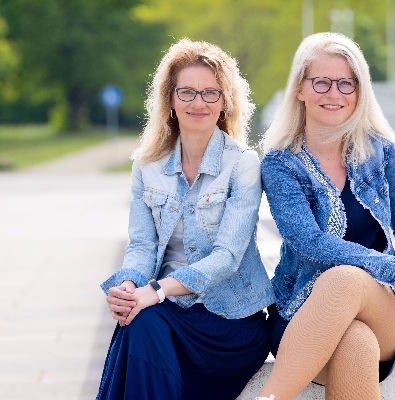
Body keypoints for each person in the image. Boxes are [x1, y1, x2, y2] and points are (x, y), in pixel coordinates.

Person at [256, 32, 395, 400]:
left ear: (359, 90)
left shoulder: (378, 149)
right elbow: (309, 241)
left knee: (345, 281)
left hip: (384, 304)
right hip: (301, 312)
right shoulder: (280, 163)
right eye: (321, 82)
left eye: (346, 83)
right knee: (355, 340)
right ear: (300, 89)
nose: (334, 93)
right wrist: (394, 268)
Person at [96, 38, 275, 400]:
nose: (198, 102)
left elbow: (227, 257)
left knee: (143, 324)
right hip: (170, 313)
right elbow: (142, 245)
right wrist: (129, 286)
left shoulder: (242, 164)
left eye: (210, 93)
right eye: (187, 92)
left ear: (224, 102)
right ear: (170, 100)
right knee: (139, 320)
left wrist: (156, 291)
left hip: (231, 320)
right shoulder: (147, 166)